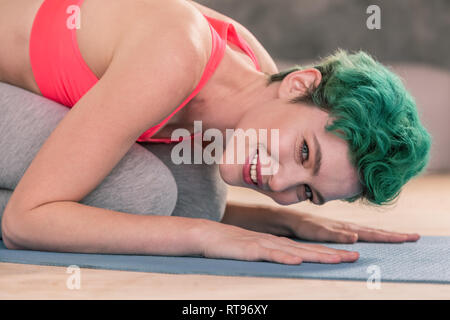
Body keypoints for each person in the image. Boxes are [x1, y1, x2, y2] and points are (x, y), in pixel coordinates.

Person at [0, 0, 430, 265]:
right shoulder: (176, 52)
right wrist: (205, 238)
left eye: (307, 192)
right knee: (142, 194)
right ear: (299, 85)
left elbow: (205, 206)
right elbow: (24, 224)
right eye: (304, 153)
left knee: (201, 197)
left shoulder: (256, 82)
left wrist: (275, 221)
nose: (279, 182)